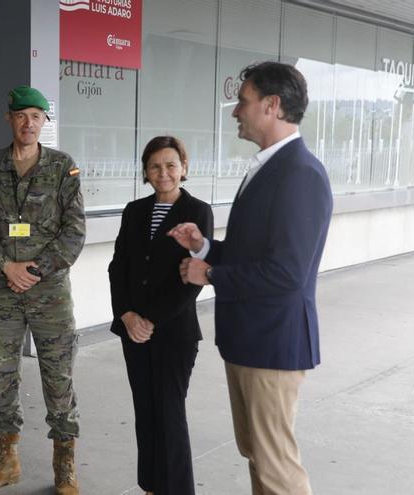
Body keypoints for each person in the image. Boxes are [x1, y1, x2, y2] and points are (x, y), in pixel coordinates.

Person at [169, 62, 333, 495]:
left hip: (273, 345)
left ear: (272, 106)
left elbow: (288, 273)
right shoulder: (270, 167)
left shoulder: (299, 174)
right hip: (252, 341)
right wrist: (204, 247)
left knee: (276, 466)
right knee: (258, 456)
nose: (235, 111)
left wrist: (211, 274)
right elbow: (256, 255)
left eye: (242, 101)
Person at [0, 85, 85, 495]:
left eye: (36, 115)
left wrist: (34, 269)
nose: (29, 122)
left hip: (49, 292)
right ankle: (5, 460)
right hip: (0, 292)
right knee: (1, 374)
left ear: (44, 121)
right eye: (21, 115)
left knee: (58, 376)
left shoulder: (62, 167)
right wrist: (6, 266)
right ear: (10, 119)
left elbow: (74, 231)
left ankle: (64, 464)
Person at [108, 136, 213, 495]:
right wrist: (126, 315)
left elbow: (191, 279)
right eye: (155, 166)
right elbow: (117, 267)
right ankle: (152, 487)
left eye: (170, 165)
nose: (163, 172)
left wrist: (148, 319)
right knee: (146, 412)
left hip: (174, 332)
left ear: (183, 168)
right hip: (133, 330)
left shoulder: (199, 212)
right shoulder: (134, 210)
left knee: (169, 413)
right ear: (146, 172)